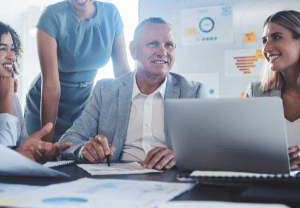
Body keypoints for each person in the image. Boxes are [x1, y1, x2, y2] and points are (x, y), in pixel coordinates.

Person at [60, 17, 208, 169]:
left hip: (170, 176)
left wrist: (181, 155)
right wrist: (84, 149)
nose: (162, 51)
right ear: (133, 50)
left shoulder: (192, 92)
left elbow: (211, 147)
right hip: (117, 179)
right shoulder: (106, 90)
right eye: (153, 44)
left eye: (169, 45)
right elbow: (69, 139)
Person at [24, 0, 130, 143]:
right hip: (47, 103)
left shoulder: (111, 14)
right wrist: (47, 143)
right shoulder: (51, 17)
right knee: (45, 163)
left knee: (79, 162)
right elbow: (51, 85)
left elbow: (123, 74)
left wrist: (132, 124)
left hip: (84, 105)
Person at [0, 22, 72, 163]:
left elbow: (17, 143)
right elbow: (4, 160)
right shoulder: (8, 95)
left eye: (13, 50)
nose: (12, 57)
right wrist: (5, 101)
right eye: (3, 49)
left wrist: (30, 150)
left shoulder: (9, 91)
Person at [244, 10, 300, 170]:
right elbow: (244, 148)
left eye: (276, 37)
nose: (266, 48)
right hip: (270, 184)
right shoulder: (256, 92)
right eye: (264, 40)